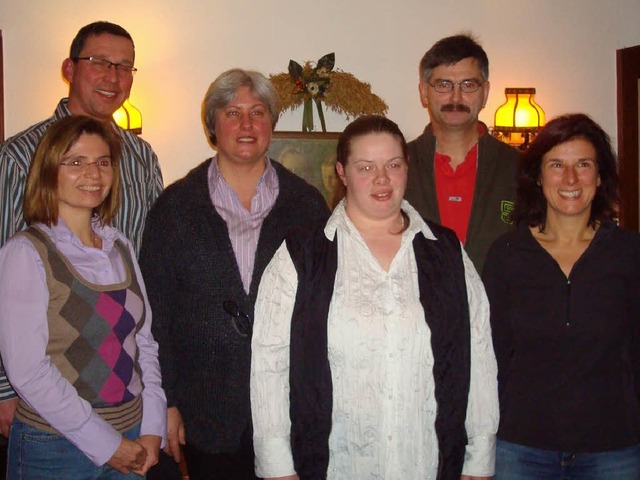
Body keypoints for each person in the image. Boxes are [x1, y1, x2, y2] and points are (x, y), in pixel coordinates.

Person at [251, 115, 499, 480]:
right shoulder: (302, 254)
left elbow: (478, 354)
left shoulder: (445, 251)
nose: (382, 179)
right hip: (335, 466)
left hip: (426, 464)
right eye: (365, 167)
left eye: (393, 165)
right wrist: (277, 468)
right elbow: (269, 365)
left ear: (406, 169)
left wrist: (479, 461)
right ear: (342, 172)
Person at [139, 68, 329, 480]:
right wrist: (166, 403)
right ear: (212, 125)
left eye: (258, 112)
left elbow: (326, 310)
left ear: (271, 125)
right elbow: (155, 317)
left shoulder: (308, 206)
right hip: (206, 412)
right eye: (232, 112)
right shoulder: (174, 209)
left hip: (290, 408)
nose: (246, 124)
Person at [0, 21, 164, 452]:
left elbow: (149, 267)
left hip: (124, 388)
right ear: (69, 69)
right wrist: (3, 389)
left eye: (125, 66)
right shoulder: (20, 155)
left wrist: (156, 398)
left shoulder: (142, 157)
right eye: (100, 63)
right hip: (47, 386)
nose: (114, 77)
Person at [482, 113, 640, 479]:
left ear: (600, 177)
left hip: (614, 451)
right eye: (557, 165)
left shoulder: (630, 254)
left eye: (583, 165)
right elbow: (490, 356)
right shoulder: (506, 254)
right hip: (521, 449)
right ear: (538, 176)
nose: (570, 179)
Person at [404, 33, 520, 273]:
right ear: (424, 92)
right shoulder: (397, 167)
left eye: (468, 85)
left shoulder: (520, 168)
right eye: (444, 85)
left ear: (485, 92)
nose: (456, 98)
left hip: (499, 307)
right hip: (419, 308)